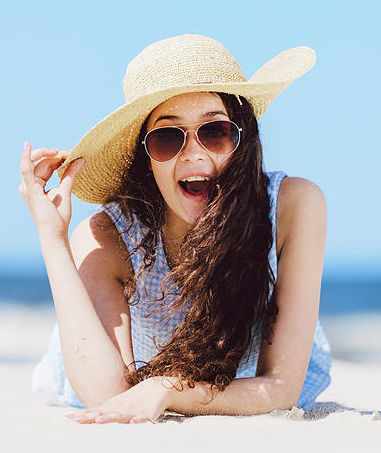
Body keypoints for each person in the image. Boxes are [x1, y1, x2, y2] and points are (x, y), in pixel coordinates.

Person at [19, 34, 332, 424]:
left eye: (215, 131)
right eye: (168, 137)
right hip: (103, 371)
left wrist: (167, 387)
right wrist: (52, 239)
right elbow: (108, 397)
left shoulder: (291, 206)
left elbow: (281, 387)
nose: (195, 153)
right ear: (144, 159)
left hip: (230, 389)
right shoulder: (108, 237)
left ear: (243, 139)